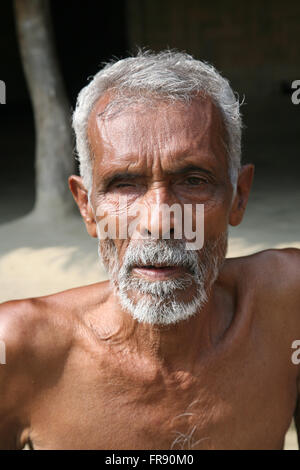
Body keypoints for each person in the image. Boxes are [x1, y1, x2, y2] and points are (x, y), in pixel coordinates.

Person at [0, 50, 299, 450]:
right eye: (124, 185)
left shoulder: (288, 310)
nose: (159, 221)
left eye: (193, 180)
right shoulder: (18, 350)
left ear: (239, 197)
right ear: (87, 207)